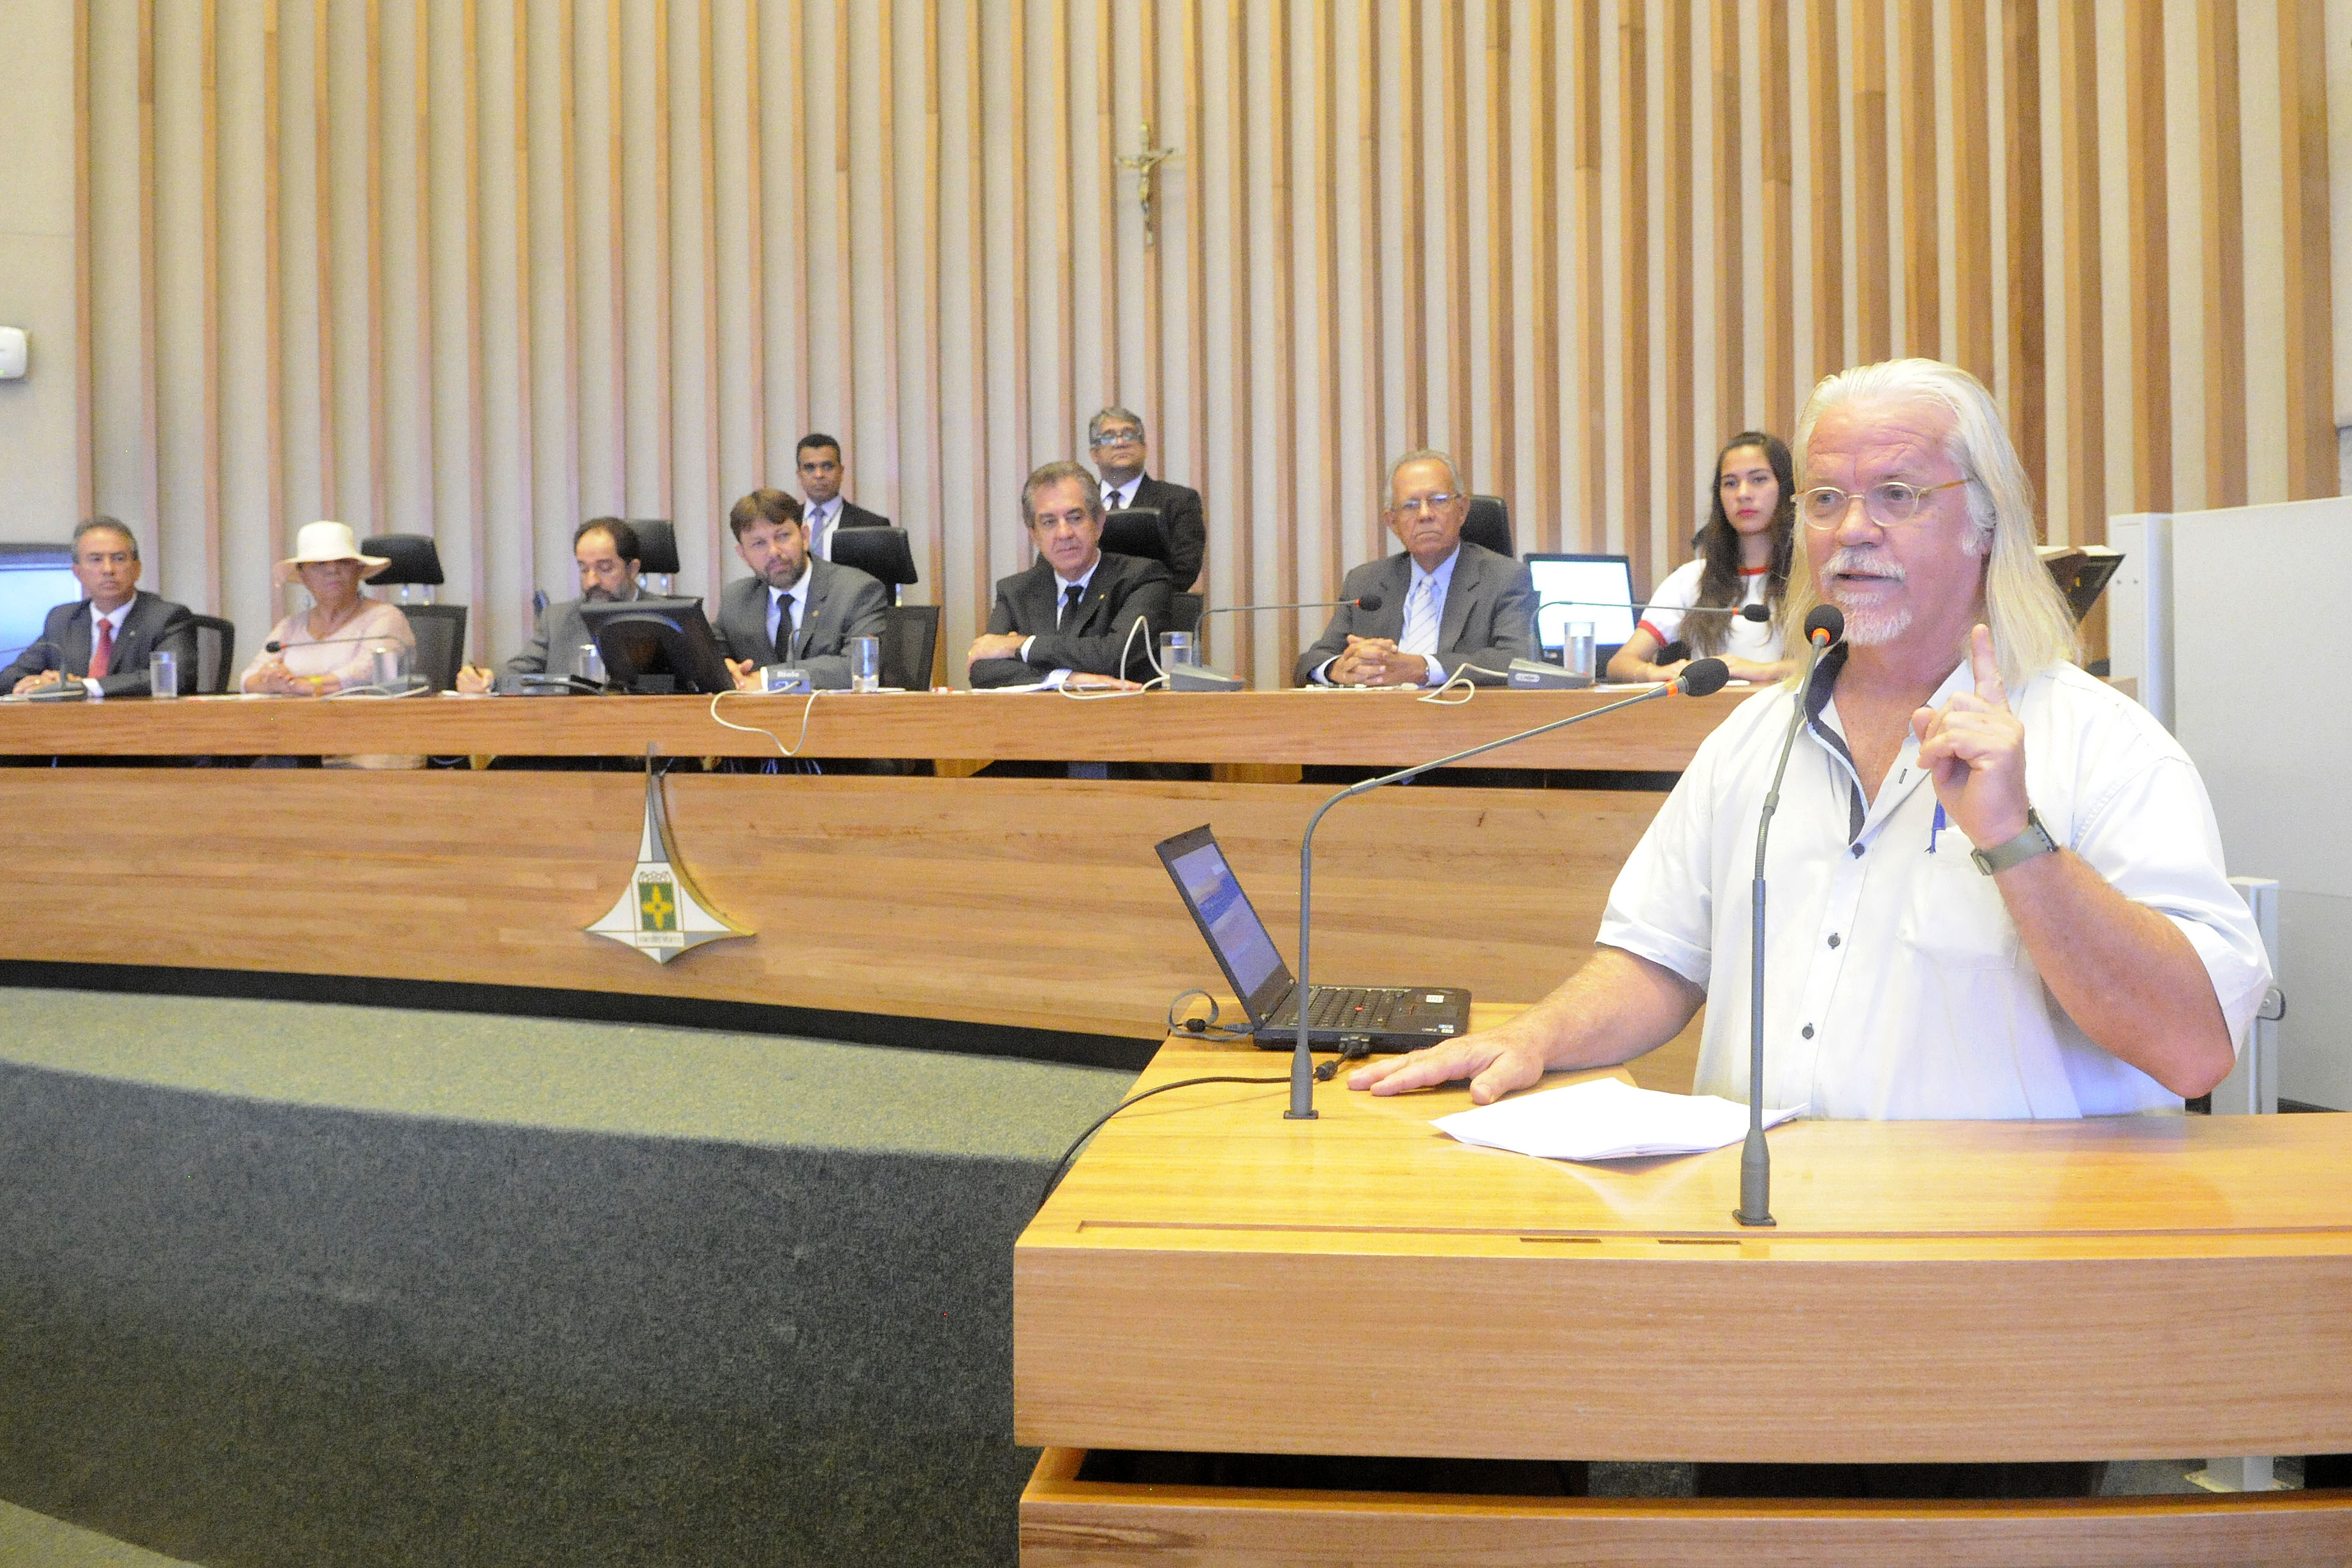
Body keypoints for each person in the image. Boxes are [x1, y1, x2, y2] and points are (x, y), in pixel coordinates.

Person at [1352, 358, 2270, 1122]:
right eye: (1826, 498)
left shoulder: (2105, 746)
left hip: (2002, 1253)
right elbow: (1657, 957)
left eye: (1898, 494)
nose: (1853, 529)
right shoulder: (1751, 739)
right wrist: (1536, 1036)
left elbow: (2194, 1050)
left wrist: (2016, 841)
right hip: (1763, 1230)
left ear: (1987, 523)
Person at [1294, 450, 1536, 688]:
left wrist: (1423, 668)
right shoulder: (1365, 582)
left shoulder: (1507, 578)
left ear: (1462, 510)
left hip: (1462, 711)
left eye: (1438, 501)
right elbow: (1312, 661)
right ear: (1392, 522)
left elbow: (1517, 660)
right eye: (1410, 505)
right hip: (1378, 713)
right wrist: (1338, 669)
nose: (1424, 514)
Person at [1606, 431, 1800, 685]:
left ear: (1786, 488)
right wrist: (1655, 673)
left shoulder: (1811, 576)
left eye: (1759, 480)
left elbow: (1838, 663)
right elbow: (1620, 663)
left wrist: (1765, 671)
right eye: (1730, 483)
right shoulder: (1691, 578)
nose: (1743, 494)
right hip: (1709, 709)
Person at [967, 460, 1171, 689]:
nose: (1064, 533)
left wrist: (1020, 645)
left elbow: (1115, 656)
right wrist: (1066, 680)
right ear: (1034, 534)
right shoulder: (1016, 592)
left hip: (1122, 709)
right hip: (1039, 712)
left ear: (1099, 522)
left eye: (1075, 518)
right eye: (1049, 522)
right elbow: (983, 669)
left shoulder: (1144, 579)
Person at [714, 488, 890, 690]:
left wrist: (766, 679)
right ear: (743, 554)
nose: (774, 552)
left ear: (805, 537)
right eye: (759, 543)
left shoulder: (857, 591)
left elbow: (860, 666)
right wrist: (725, 667)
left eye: (782, 536)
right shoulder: (736, 599)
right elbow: (709, 655)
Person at [1, 518, 196, 698]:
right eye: (96, 559)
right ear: (78, 573)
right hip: (68, 722)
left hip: (139, 721)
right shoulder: (63, 619)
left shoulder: (167, 618)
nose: (108, 570)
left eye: (118, 558)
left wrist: (82, 686)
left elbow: (175, 678)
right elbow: (9, 677)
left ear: (137, 569)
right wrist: (35, 683)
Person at [455, 518, 644, 692]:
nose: (591, 581)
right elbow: (518, 672)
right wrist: (485, 679)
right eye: (584, 569)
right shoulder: (557, 619)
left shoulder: (659, 615)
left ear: (633, 569)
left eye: (605, 568)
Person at [240, 522, 416, 696]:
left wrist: (300, 685)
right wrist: (271, 681)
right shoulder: (291, 626)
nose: (332, 570)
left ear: (358, 569)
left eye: (343, 562)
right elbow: (248, 679)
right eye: (320, 563)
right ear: (303, 576)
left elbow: (366, 674)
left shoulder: (387, 618)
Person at [1088, 406, 1206, 591]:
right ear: (1094, 454)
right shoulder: (1079, 506)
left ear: (1144, 448)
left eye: (1129, 435)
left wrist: (1138, 599)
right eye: (1109, 437)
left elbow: (1185, 570)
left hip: (1155, 605)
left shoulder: (1179, 501)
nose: (1120, 443)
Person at [795, 434, 892, 562]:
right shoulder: (786, 523)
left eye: (827, 467)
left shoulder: (874, 526)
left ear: (841, 472)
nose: (819, 475)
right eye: (810, 468)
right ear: (799, 475)